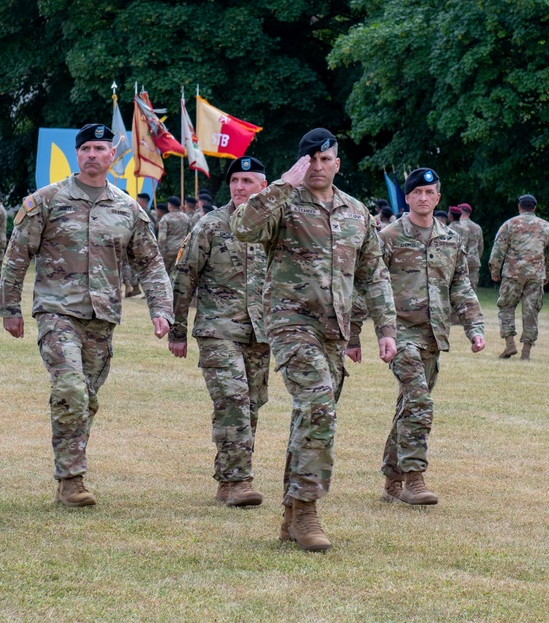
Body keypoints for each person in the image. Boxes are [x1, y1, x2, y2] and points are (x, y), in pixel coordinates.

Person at [230, 128, 396, 552]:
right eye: (311, 160)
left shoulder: (356, 212)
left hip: (333, 332)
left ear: (337, 163)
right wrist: (284, 183)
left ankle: (290, 514)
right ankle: (307, 511)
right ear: (301, 162)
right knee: (318, 404)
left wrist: (387, 329)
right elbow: (242, 228)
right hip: (290, 324)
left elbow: (373, 274)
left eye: (326, 160)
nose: (318, 168)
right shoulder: (283, 203)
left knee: (310, 415)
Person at [0, 123, 173, 507]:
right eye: (86, 149)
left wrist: (161, 309)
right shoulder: (47, 200)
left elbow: (151, 265)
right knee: (70, 389)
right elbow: (16, 256)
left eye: (100, 148)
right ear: (77, 155)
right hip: (56, 311)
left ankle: (69, 473)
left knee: (86, 397)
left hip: (102, 317)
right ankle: (72, 479)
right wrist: (10, 308)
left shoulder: (128, 209)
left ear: (113, 157)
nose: (93, 154)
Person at [348, 168, 484, 506]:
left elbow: (460, 286)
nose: (423, 198)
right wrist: (352, 335)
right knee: (419, 400)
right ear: (407, 198)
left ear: (438, 197)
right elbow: (368, 284)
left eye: (430, 192)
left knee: (410, 405)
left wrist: (474, 327)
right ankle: (414, 478)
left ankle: (391, 480)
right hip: (399, 335)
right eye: (416, 193)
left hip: (433, 337)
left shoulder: (450, 239)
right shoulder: (390, 237)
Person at [170, 156, 271, 507]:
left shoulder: (273, 227)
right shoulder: (210, 226)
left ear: (264, 187)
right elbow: (185, 275)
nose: (240, 187)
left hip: (260, 333)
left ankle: (227, 481)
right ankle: (240, 481)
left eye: (247, 181)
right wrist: (177, 330)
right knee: (233, 401)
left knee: (252, 406)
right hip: (218, 329)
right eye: (235, 181)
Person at [488, 194, 549, 360]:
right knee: (531, 311)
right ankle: (526, 352)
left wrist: (494, 272)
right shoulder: (547, 227)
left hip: (512, 274)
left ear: (519, 207)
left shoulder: (509, 225)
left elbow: (498, 250)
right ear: (534, 208)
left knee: (506, 307)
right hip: (535, 275)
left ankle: (510, 344)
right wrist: (547, 274)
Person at [157, 196, 192, 274]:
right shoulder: (186, 218)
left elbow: (161, 238)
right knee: (180, 272)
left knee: (165, 272)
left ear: (169, 206)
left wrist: (159, 250)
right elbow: (190, 235)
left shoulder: (165, 218)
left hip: (168, 250)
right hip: (183, 249)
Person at [456, 203, 484, 285]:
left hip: (461, 262)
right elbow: (480, 247)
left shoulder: (457, 226)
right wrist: (476, 257)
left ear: (460, 211)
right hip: (474, 261)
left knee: (458, 287)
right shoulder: (477, 227)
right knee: (472, 288)